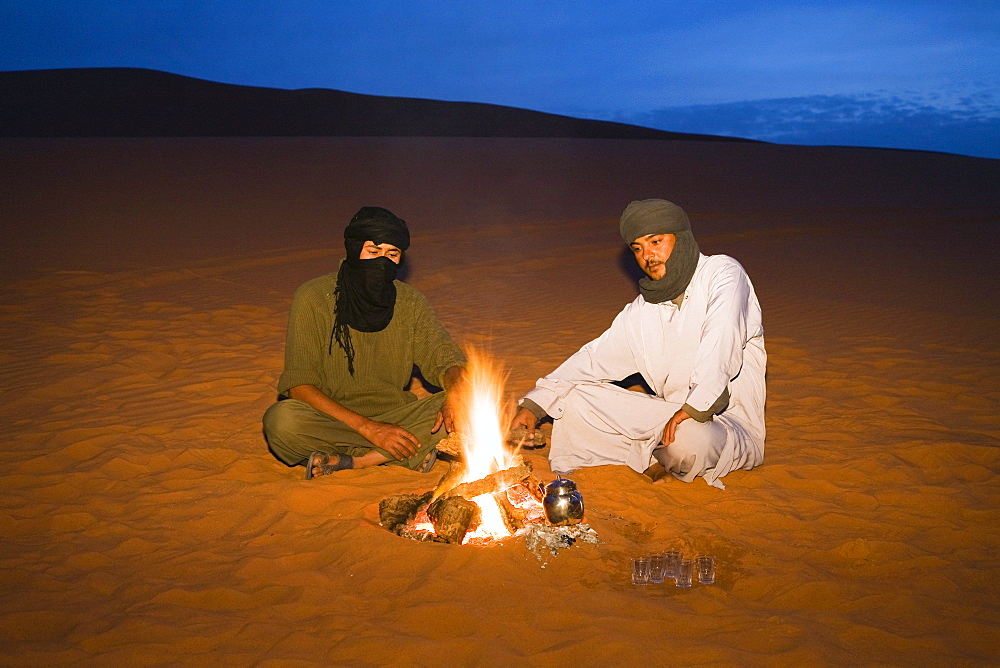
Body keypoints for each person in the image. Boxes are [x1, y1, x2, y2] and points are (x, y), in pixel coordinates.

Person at [510, 199, 765, 489]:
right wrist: (535, 404)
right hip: (667, 417)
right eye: (638, 248)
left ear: (681, 238)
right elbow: (593, 359)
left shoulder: (722, 273)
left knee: (690, 440)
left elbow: (723, 340)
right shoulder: (643, 309)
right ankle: (658, 456)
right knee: (571, 400)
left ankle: (662, 455)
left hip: (726, 426)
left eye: (656, 241)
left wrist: (696, 408)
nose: (648, 256)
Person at [263, 206, 466, 479]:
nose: (382, 262)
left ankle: (358, 461)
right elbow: (300, 386)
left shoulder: (410, 302)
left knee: (471, 398)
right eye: (373, 251)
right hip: (334, 418)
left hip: (397, 417)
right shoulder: (314, 297)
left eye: (391, 254)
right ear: (354, 249)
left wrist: (455, 392)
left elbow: (447, 360)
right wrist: (370, 429)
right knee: (282, 420)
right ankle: (397, 454)